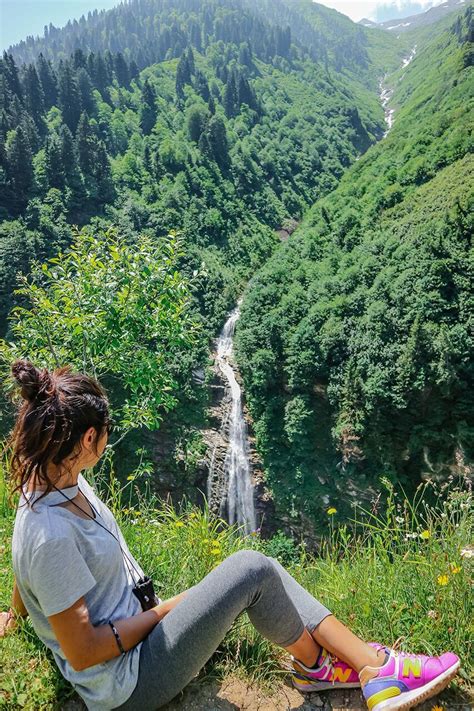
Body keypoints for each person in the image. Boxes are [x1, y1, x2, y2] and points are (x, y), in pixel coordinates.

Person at [0, 360, 460, 711]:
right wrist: (164, 611)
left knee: (261, 567)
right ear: (86, 441)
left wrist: (16, 613)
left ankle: (333, 665)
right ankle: (372, 669)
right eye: (105, 433)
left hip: (136, 642)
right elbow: (83, 654)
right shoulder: (49, 533)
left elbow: (37, 578)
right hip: (128, 682)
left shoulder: (57, 482)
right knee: (251, 568)